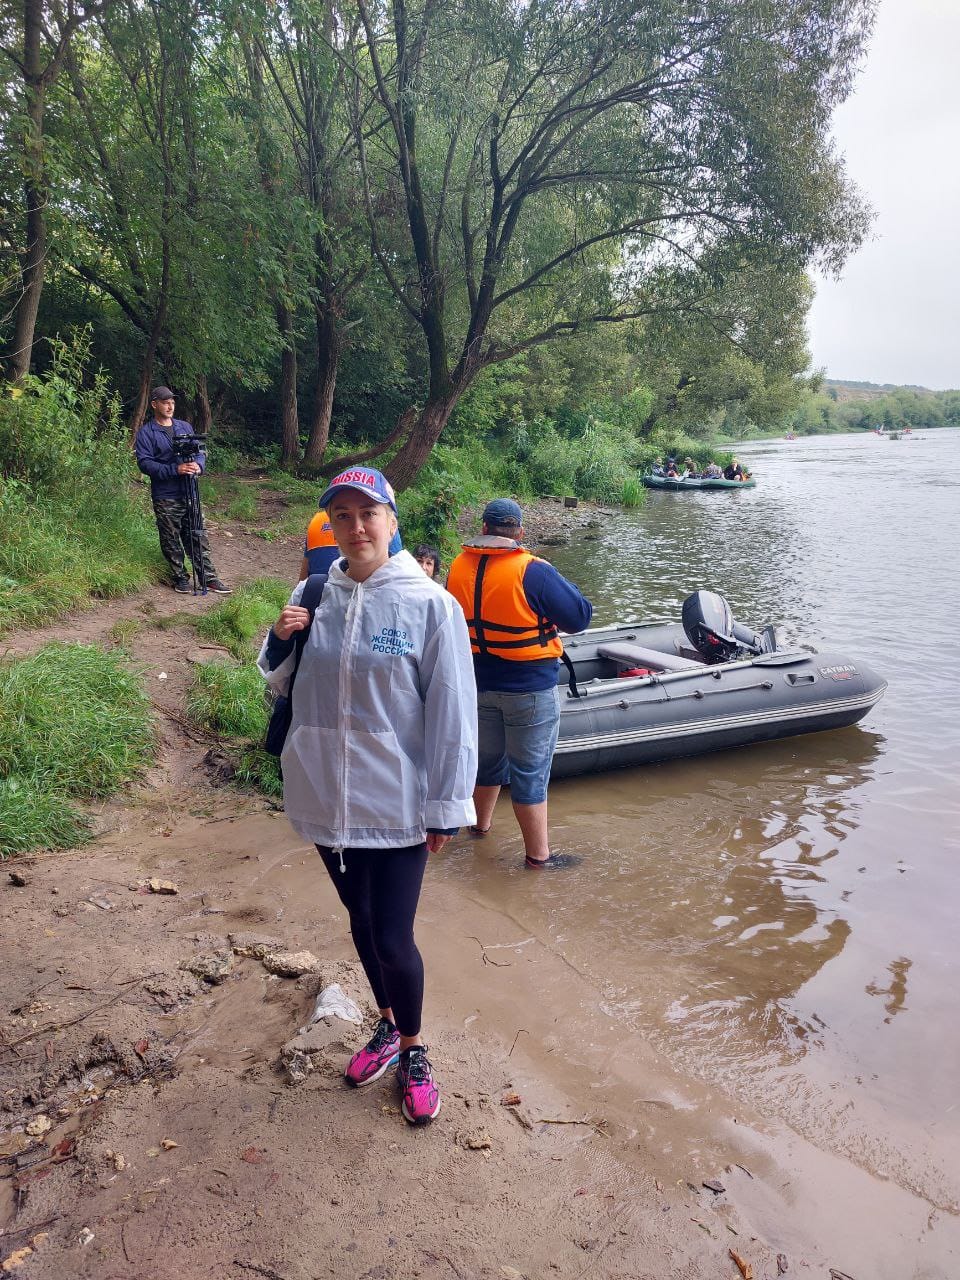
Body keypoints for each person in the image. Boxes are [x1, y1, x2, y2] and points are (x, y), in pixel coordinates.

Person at [259, 466, 477, 1125]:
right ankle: (385, 1026)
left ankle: (413, 1049)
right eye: (342, 516)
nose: (355, 527)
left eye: (368, 514)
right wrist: (281, 635)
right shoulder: (316, 590)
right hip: (328, 792)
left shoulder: (430, 605)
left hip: (398, 800)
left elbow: (453, 716)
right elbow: (277, 681)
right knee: (358, 918)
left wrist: (446, 806)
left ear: (392, 519)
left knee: (392, 935)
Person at [446, 498, 592, 870]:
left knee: (487, 763)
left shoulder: (457, 567)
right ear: (520, 533)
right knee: (529, 772)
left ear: (483, 528)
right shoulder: (534, 570)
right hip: (528, 690)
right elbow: (579, 618)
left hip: (477, 686)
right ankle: (538, 858)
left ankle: (479, 828)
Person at [134, 387, 231, 594]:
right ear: (154, 404)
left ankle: (208, 578)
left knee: (198, 535)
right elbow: (145, 464)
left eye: (172, 403)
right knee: (170, 538)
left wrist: (199, 465)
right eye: (165, 402)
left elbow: (200, 450)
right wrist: (174, 469)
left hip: (190, 491)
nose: (170, 406)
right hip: (166, 495)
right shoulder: (146, 432)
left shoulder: (184, 427)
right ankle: (180, 578)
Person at [298, 509, 404, 581]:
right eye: (343, 516)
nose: (357, 528)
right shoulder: (382, 524)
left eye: (368, 513)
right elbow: (395, 568)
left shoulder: (318, 521)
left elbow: (303, 578)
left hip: (318, 601)